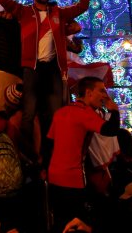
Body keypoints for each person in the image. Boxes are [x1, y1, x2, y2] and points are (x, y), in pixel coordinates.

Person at [0, 0, 91, 156]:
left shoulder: (59, 13)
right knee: (29, 112)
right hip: (32, 67)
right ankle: (29, 153)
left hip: (54, 68)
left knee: (56, 111)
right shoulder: (23, 12)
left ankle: (55, 150)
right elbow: (3, 0)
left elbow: (82, 5)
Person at [46, 76, 120, 232]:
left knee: (60, 221)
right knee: (76, 223)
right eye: (101, 91)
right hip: (72, 179)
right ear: (88, 92)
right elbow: (111, 130)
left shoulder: (61, 112)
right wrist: (114, 110)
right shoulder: (84, 112)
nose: (105, 96)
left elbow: (50, 144)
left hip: (53, 177)